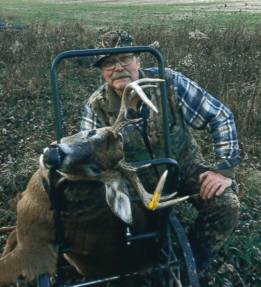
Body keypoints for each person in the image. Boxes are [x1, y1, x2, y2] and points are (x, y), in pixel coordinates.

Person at [80, 30, 241, 275]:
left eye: (125, 58)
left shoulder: (170, 83)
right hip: (136, 185)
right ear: (102, 70)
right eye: (109, 62)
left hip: (182, 168)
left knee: (226, 204)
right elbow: (90, 160)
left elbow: (219, 115)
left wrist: (224, 168)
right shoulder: (96, 107)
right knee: (126, 243)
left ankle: (194, 265)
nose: (118, 67)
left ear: (138, 60)